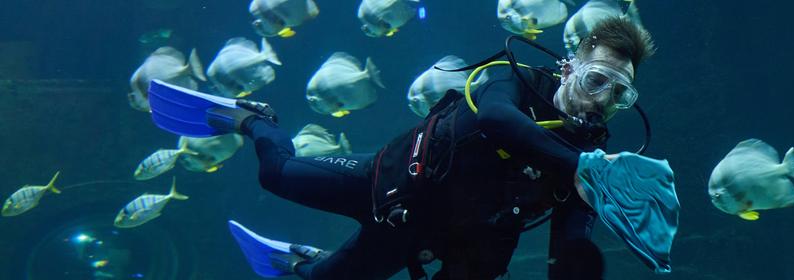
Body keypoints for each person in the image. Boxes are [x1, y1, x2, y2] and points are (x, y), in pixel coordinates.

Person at [148, 17, 655, 280]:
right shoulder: (513, 80)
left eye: (621, 94)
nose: (603, 101)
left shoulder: (593, 163)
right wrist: (585, 168)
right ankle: (251, 120)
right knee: (275, 174)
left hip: (458, 244)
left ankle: (308, 261)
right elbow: (498, 122)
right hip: (385, 185)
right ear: (570, 67)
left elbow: (569, 247)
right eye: (596, 80)